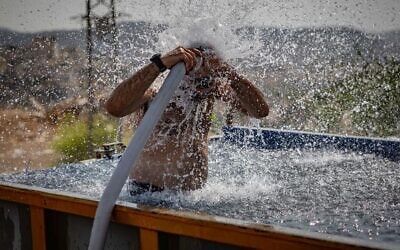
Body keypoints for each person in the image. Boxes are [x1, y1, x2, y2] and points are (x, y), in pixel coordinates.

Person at [105, 46, 269, 194]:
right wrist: (159, 64)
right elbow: (115, 108)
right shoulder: (157, 93)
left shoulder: (210, 91)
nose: (200, 84)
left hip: (193, 196)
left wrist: (229, 73)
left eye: (207, 75)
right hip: (147, 193)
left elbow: (259, 111)